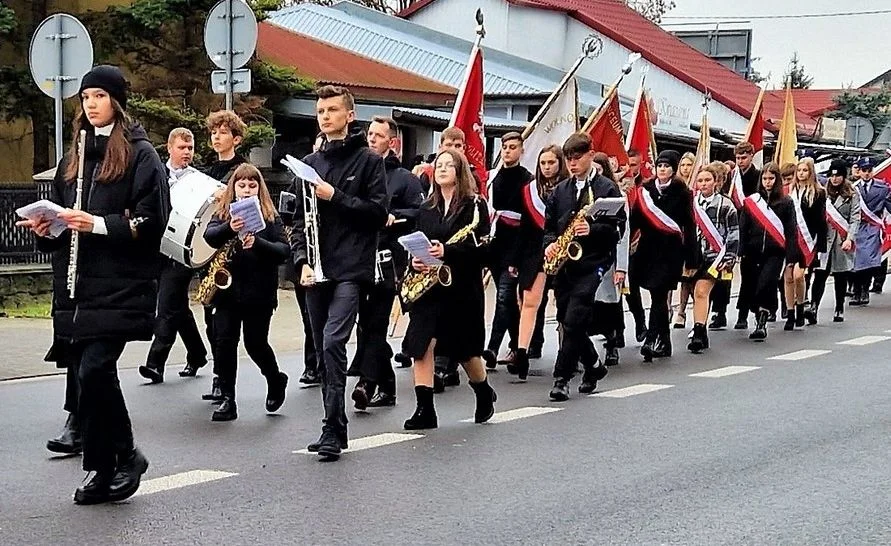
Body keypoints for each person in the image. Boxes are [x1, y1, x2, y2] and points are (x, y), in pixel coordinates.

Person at [19, 65, 167, 504]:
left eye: (99, 96)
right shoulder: (75, 156)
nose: (91, 104)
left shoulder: (142, 155)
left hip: (121, 285)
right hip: (77, 287)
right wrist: (49, 229)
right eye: (85, 98)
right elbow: (65, 216)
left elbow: (152, 220)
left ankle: (126, 456)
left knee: (95, 369)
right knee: (86, 380)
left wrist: (100, 224)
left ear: (116, 102)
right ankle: (103, 468)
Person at [288, 85, 388, 461]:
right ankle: (334, 424)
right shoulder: (309, 164)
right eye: (320, 111)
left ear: (349, 115)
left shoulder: (368, 161)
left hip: (351, 269)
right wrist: (300, 262)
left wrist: (336, 197)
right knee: (321, 346)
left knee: (332, 342)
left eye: (332, 110)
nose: (325, 116)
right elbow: (297, 222)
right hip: (316, 268)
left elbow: (378, 213)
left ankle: (332, 428)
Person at [400, 149, 497, 428]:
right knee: (420, 345)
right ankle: (425, 411)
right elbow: (417, 242)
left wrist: (448, 251)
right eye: (438, 165)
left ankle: (483, 391)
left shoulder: (475, 205)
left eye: (448, 165)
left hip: (461, 289)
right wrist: (415, 261)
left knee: (466, 351)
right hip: (430, 288)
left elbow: (485, 251)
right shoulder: (425, 208)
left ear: (460, 171)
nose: (441, 169)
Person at [202, 164, 290, 421]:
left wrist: (258, 242)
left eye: (252, 185)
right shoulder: (223, 213)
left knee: (255, 343)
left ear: (259, 188)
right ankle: (228, 399)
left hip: (259, 292)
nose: (247, 190)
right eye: (242, 185)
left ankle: (275, 378)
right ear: (234, 188)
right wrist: (231, 227)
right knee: (225, 342)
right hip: (228, 292)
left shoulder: (270, 217)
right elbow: (210, 236)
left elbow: (283, 251)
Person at [350, 116, 422, 410]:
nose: (372, 139)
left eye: (379, 136)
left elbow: (419, 212)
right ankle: (388, 386)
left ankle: (366, 383)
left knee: (376, 323)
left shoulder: (405, 178)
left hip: (390, 259)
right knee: (364, 325)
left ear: (392, 142)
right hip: (358, 258)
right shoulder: (359, 172)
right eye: (370, 134)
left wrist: (395, 217)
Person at [544, 133, 622, 400]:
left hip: (593, 263)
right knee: (568, 321)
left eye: (577, 158)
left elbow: (616, 232)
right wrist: (551, 244)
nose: (573, 164)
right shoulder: (560, 191)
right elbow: (549, 227)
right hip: (565, 264)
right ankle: (593, 366)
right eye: (569, 159)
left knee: (575, 317)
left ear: (591, 154)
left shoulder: (607, 189)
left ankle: (561, 378)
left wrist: (593, 228)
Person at [139, 128, 208, 384]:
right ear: (170, 148)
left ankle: (155, 363)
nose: (187, 153)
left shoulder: (197, 179)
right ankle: (197, 353)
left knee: (167, 306)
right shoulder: (157, 174)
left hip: (181, 250)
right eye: (182, 148)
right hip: (157, 247)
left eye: (190, 148)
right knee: (178, 306)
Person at [197, 111, 248, 401]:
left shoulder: (242, 172)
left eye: (223, 132)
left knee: (225, 325)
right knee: (209, 316)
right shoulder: (206, 172)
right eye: (214, 132)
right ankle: (219, 372)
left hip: (233, 253)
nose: (216, 137)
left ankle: (222, 379)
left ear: (236, 139)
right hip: (209, 247)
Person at [629, 150, 696, 361]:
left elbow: (689, 225)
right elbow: (635, 220)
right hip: (647, 249)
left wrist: (692, 257)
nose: (663, 169)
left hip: (670, 252)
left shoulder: (682, 192)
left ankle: (651, 338)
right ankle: (665, 342)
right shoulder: (646, 191)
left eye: (667, 166)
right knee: (641, 289)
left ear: (673, 169)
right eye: (660, 166)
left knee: (659, 295)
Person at [483, 132, 533, 373]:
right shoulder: (493, 178)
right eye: (504, 147)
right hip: (494, 245)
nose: (507, 151)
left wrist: (517, 255)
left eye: (513, 147)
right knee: (507, 303)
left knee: (504, 296)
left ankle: (492, 348)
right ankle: (516, 343)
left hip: (515, 247)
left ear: (521, 150)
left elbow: (528, 220)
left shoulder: (527, 181)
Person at [737, 163, 798, 341]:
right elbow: (743, 227)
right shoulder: (752, 201)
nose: (767, 182)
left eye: (771, 178)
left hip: (775, 252)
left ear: (777, 180)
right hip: (752, 251)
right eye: (764, 179)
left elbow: (791, 230)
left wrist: (791, 256)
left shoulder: (786, 202)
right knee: (753, 287)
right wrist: (741, 249)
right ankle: (757, 316)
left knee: (767, 283)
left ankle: (762, 323)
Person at [686, 165, 739, 353]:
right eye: (700, 180)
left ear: (715, 182)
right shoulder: (690, 204)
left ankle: (699, 332)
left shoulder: (726, 205)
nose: (703, 184)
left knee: (701, 291)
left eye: (707, 180)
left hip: (715, 257)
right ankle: (702, 327)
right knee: (696, 293)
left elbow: (733, 233)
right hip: (694, 256)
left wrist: (730, 257)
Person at [528, 145, 569, 359]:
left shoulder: (567, 188)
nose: (546, 167)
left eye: (551, 162)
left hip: (563, 253)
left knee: (564, 301)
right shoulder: (533, 189)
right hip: (539, 253)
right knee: (538, 300)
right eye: (542, 163)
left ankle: (567, 347)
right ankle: (535, 343)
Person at [590, 152, 630, 367]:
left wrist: (621, 267)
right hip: (587, 258)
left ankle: (612, 344)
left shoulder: (616, 195)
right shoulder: (581, 193)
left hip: (609, 259)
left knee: (609, 305)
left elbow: (623, 235)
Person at [809, 159, 860, 323]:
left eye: (838, 175)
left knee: (840, 275)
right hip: (825, 237)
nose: (835, 179)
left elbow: (855, 219)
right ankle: (814, 307)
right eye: (832, 175)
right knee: (820, 274)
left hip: (841, 239)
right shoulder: (823, 192)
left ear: (844, 176)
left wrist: (850, 239)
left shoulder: (852, 194)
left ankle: (839, 307)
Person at [782, 158, 827, 330]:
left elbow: (821, 221)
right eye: (799, 170)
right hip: (790, 239)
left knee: (799, 276)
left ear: (810, 172)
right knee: (788, 277)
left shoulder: (818, 193)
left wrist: (821, 247)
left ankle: (800, 306)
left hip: (808, 240)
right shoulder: (788, 192)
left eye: (804, 170)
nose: (801, 173)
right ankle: (790, 312)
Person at [851, 157, 891, 306]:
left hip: (872, 228)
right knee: (855, 261)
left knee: (867, 261)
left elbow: (888, 205)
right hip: (856, 227)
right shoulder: (853, 188)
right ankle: (856, 291)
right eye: (864, 170)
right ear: (859, 171)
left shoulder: (882, 188)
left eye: (869, 170)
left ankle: (865, 290)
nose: (867, 174)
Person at [707, 161, 733, 329]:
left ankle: (720, 311)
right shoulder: (699, 199)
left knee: (724, 281)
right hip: (706, 248)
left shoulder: (727, 200)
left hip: (723, 246)